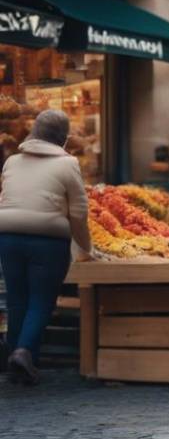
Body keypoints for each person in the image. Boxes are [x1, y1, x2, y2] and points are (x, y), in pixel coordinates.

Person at [0, 110, 92, 384]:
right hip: (48, 240)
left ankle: (20, 364)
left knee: (18, 300)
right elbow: (78, 211)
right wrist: (86, 246)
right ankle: (23, 352)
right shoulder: (68, 164)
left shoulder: (12, 162)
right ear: (62, 138)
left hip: (8, 236)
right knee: (41, 300)